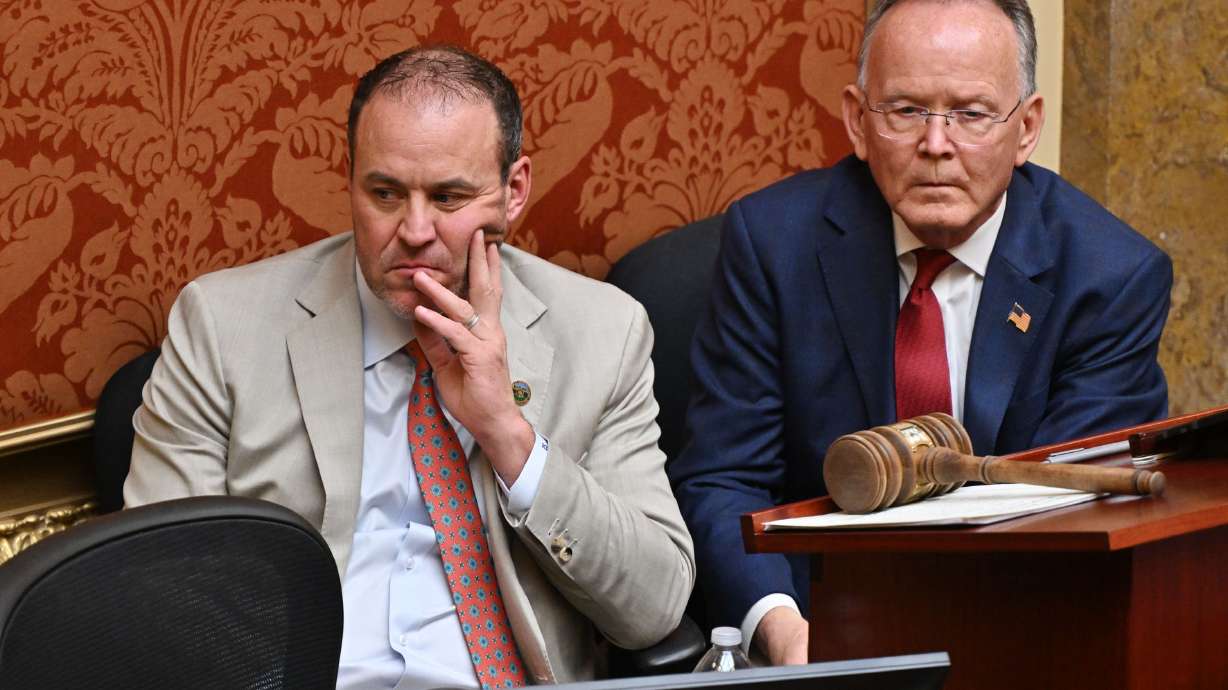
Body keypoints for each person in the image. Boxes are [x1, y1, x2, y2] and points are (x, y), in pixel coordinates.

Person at [124, 46, 695, 688]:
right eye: (385, 193)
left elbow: (654, 608)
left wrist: (508, 435)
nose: (414, 229)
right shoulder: (222, 327)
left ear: (513, 193)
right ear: (351, 182)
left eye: (448, 197)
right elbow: (162, 594)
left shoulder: (604, 331)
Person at [669, 0, 1171, 668]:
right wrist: (789, 634)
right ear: (856, 120)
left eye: (970, 114)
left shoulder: (1110, 277)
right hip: (815, 622)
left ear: (1026, 129)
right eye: (906, 111)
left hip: (1021, 633)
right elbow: (724, 479)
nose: (936, 145)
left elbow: (1071, 510)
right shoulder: (772, 244)